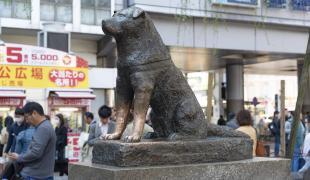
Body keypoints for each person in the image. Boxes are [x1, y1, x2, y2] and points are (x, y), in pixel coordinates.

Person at [7, 102, 56, 179]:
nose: (26, 121)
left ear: (34, 113)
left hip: (36, 175)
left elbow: (35, 152)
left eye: (27, 117)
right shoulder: (45, 126)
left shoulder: (43, 128)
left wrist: (19, 157)